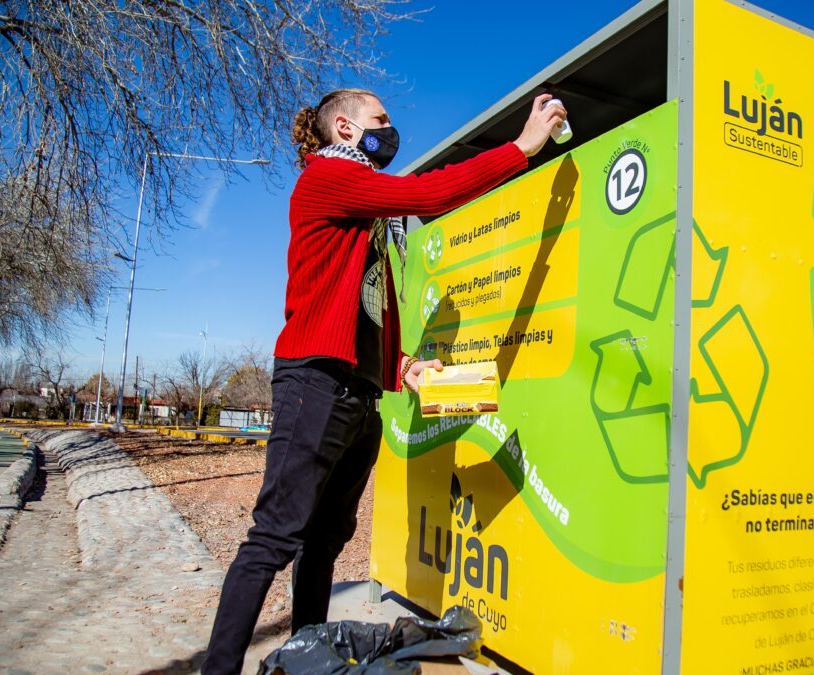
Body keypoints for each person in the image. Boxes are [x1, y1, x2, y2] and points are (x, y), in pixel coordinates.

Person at [201, 89, 566, 674]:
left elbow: (362, 308)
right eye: (381, 120)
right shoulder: (327, 178)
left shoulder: (368, 216)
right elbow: (428, 193)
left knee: (323, 545)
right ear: (344, 127)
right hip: (314, 384)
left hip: (357, 395)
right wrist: (522, 148)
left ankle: (306, 659)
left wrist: (401, 366)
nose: (391, 130)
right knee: (273, 539)